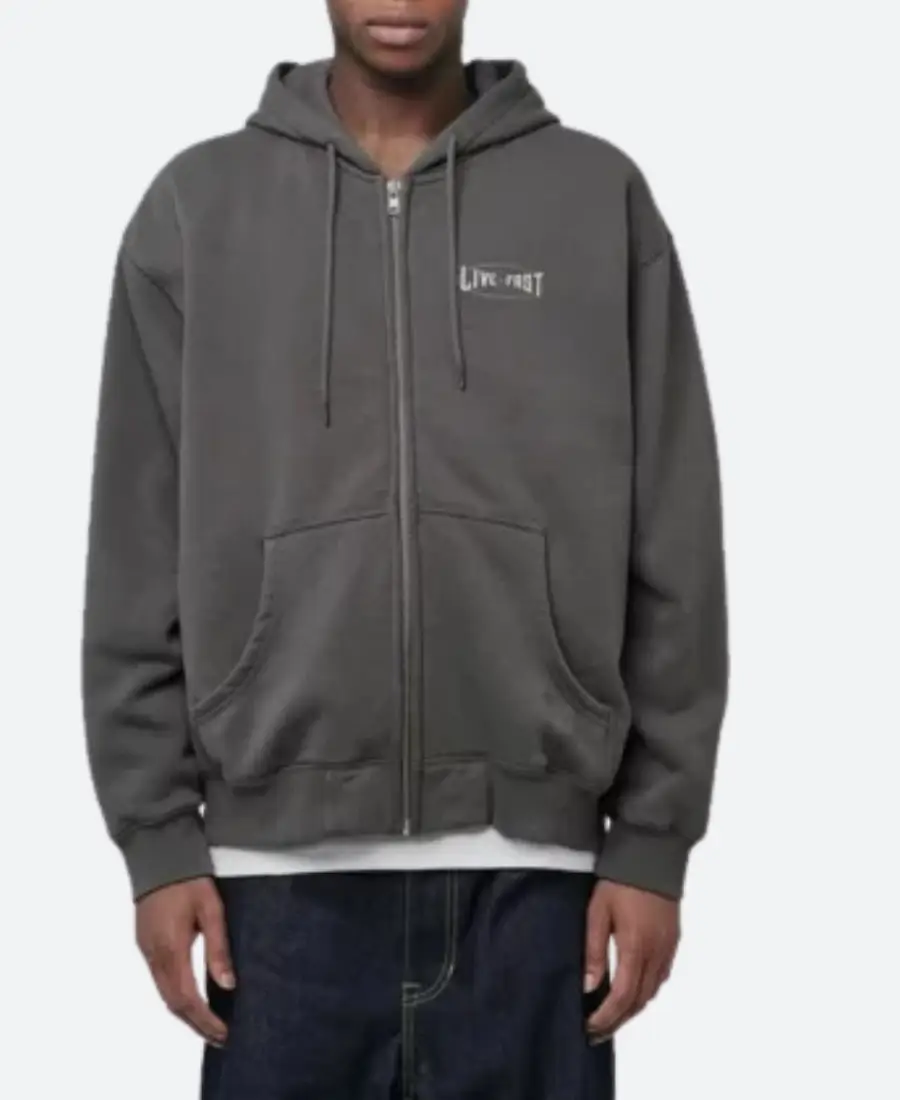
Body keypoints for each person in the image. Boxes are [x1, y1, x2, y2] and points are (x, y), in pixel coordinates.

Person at [81, 1, 729, 1096]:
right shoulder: (196, 209)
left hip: (541, 891)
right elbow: (134, 548)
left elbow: (676, 535)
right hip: (272, 899)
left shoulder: (595, 199)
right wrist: (156, 841)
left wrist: (654, 842)